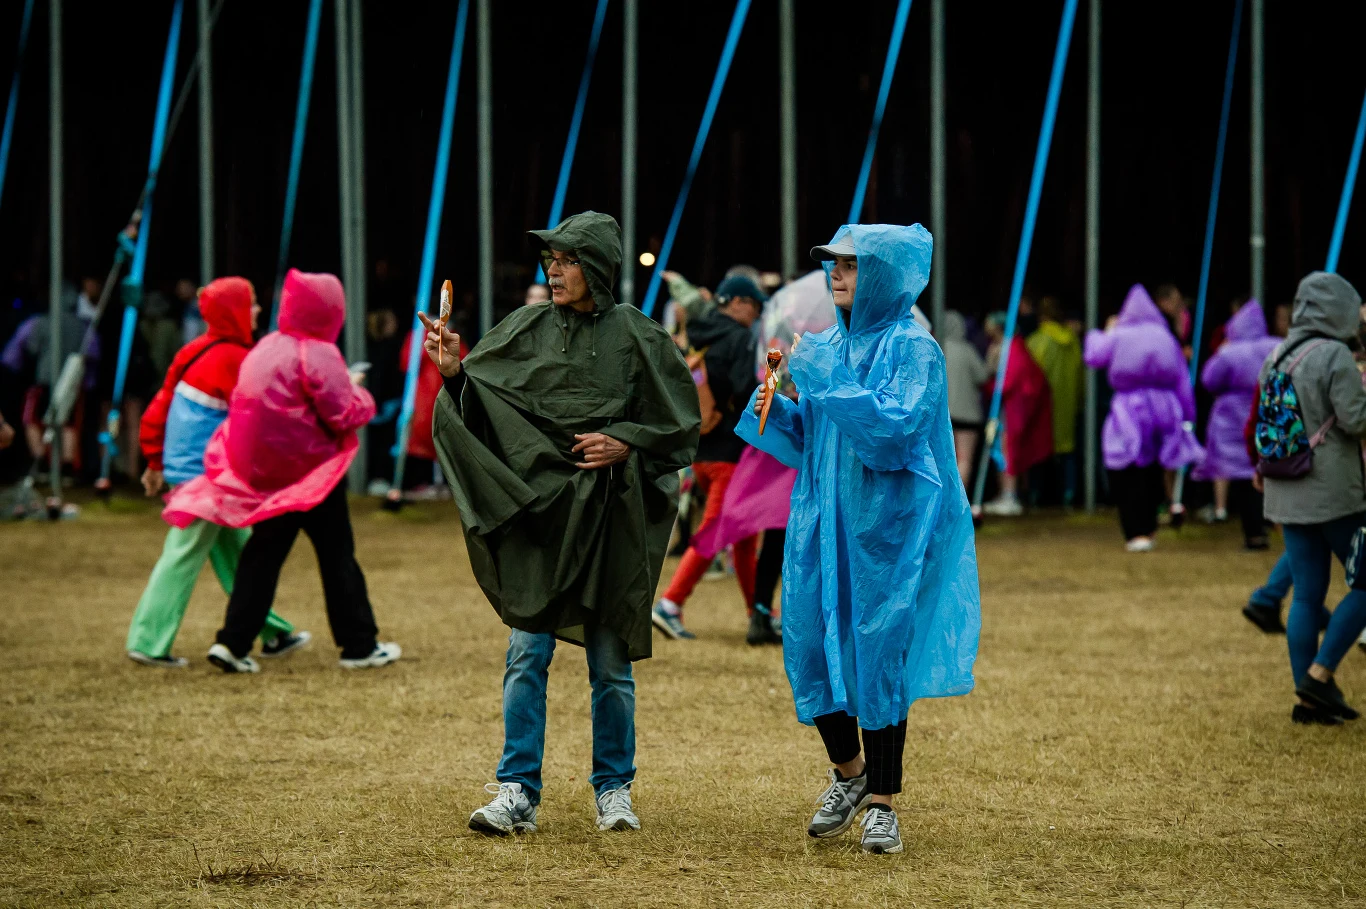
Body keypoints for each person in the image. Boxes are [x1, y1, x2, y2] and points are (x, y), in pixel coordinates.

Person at [421, 211, 699, 836]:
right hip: (541, 520)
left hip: (610, 517)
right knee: (526, 652)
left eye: (569, 259)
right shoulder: (523, 327)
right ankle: (517, 788)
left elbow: (681, 425)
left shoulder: (637, 336)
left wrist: (626, 442)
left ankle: (614, 789)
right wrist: (452, 372)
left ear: (596, 267)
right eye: (551, 259)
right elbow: (484, 405)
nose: (554, 269)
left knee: (610, 664)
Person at [740, 224, 980, 856]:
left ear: (886, 275)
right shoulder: (830, 347)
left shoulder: (914, 349)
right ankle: (850, 774)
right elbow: (817, 441)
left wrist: (819, 375)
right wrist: (777, 406)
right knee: (810, 647)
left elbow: (892, 434)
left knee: (878, 658)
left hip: (885, 532)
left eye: (851, 264)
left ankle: (883, 804)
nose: (836, 275)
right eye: (833, 264)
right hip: (820, 524)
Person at [163, 269, 399, 674]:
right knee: (337, 556)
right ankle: (360, 644)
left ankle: (232, 642)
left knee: (262, 556)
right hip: (314, 476)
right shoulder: (320, 352)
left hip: (272, 479)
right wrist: (359, 390)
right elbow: (342, 412)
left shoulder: (266, 347)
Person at [126, 278, 307, 667]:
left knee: (238, 553)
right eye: (253, 303)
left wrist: (155, 463)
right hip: (208, 476)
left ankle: (272, 631)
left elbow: (159, 406)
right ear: (236, 311)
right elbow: (258, 418)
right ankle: (148, 642)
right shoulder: (237, 358)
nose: (259, 311)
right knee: (185, 553)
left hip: (188, 471)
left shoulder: (193, 351)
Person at [1257, 272, 1366, 725]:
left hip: (1286, 488)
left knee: (1305, 595)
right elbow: (1356, 421)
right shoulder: (1335, 355)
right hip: (1332, 491)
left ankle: (1307, 700)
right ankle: (1319, 677)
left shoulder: (1276, 354)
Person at [652, 275, 767, 641]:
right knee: (715, 530)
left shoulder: (696, 331)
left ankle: (758, 611)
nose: (757, 313)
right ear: (738, 302)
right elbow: (741, 390)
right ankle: (669, 603)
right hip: (731, 452)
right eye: (755, 305)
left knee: (746, 535)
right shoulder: (739, 337)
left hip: (700, 448)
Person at [1084, 284, 1204, 551]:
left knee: (1125, 465)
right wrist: (1188, 415)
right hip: (1164, 407)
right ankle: (1148, 528)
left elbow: (1093, 356)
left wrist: (1105, 331)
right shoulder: (1165, 336)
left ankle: (1134, 529)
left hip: (1128, 407)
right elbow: (1182, 380)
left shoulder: (1120, 333)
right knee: (1152, 467)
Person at [1191, 300, 1279, 546]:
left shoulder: (1229, 351)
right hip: (1270, 410)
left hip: (1232, 418)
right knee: (1271, 469)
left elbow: (1209, 380)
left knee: (1241, 474)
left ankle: (1252, 532)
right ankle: (1270, 523)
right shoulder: (1276, 347)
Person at [981, 322, 1053, 516]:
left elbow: (1007, 382)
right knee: (1003, 450)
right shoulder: (1015, 348)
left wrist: (985, 386)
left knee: (1007, 451)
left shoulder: (1012, 349)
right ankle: (1006, 494)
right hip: (1011, 409)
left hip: (1013, 411)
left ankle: (1010, 495)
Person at [1027, 296, 1083, 506]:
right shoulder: (1073, 341)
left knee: (1038, 449)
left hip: (1043, 404)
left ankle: (1034, 495)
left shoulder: (1035, 341)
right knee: (1068, 451)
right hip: (1067, 402)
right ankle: (1069, 494)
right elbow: (1081, 374)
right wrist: (1080, 400)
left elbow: (1030, 377)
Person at [938, 310, 988, 487]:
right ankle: (960, 501)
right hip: (968, 415)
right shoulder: (968, 350)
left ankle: (945, 501)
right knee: (964, 459)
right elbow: (982, 376)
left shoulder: (937, 348)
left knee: (943, 460)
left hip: (944, 415)